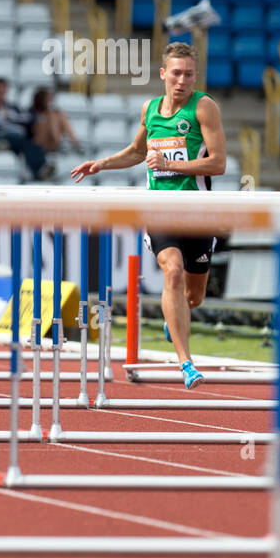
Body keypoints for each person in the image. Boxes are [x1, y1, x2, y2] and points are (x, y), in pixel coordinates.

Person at [69, 42, 226, 389]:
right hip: (159, 210)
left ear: (195, 76)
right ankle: (186, 363)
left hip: (198, 211)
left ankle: (176, 319)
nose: (181, 81)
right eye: (175, 74)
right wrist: (102, 164)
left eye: (188, 74)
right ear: (163, 74)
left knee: (193, 296)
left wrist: (171, 164)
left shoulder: (204, 108)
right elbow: (138, 151)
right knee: (172, 273)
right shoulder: (150, 110)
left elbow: (218, 163)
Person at [0, 77, 51, 179]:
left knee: (34, 143)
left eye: (3, 88)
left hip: (18, 136)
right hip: (3, 137)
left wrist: (10, 116)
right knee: (26, 143)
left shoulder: (13, 106)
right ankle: (39, 170)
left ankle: (41, 168)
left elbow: (28, 118)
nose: (1, 91)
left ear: (6, 90)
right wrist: (13, 117)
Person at [29, 87, 81, 153]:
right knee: (53, 116)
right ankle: (72, 142)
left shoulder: (52, 113)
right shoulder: (32, 112)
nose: (50, 102)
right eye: (48, 99)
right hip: (38, 141)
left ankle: (72, 142)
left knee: (60, 115)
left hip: (51, 139)